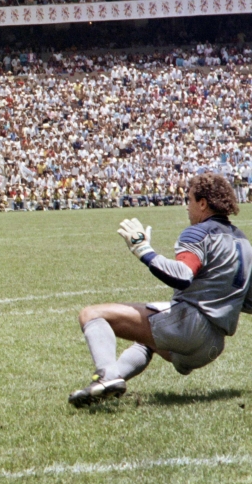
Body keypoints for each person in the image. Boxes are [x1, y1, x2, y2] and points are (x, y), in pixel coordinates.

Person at [69, 173, 252, 407]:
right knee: (146, 340)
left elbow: (182, 275)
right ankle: (106, 385)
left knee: (91, 314)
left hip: (189, 329)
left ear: (203, 203)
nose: (187, 208)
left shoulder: (198, 232)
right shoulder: (243, 241)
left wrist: (143, 249)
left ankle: (107, 376)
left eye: (189, 200)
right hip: (213, 347)